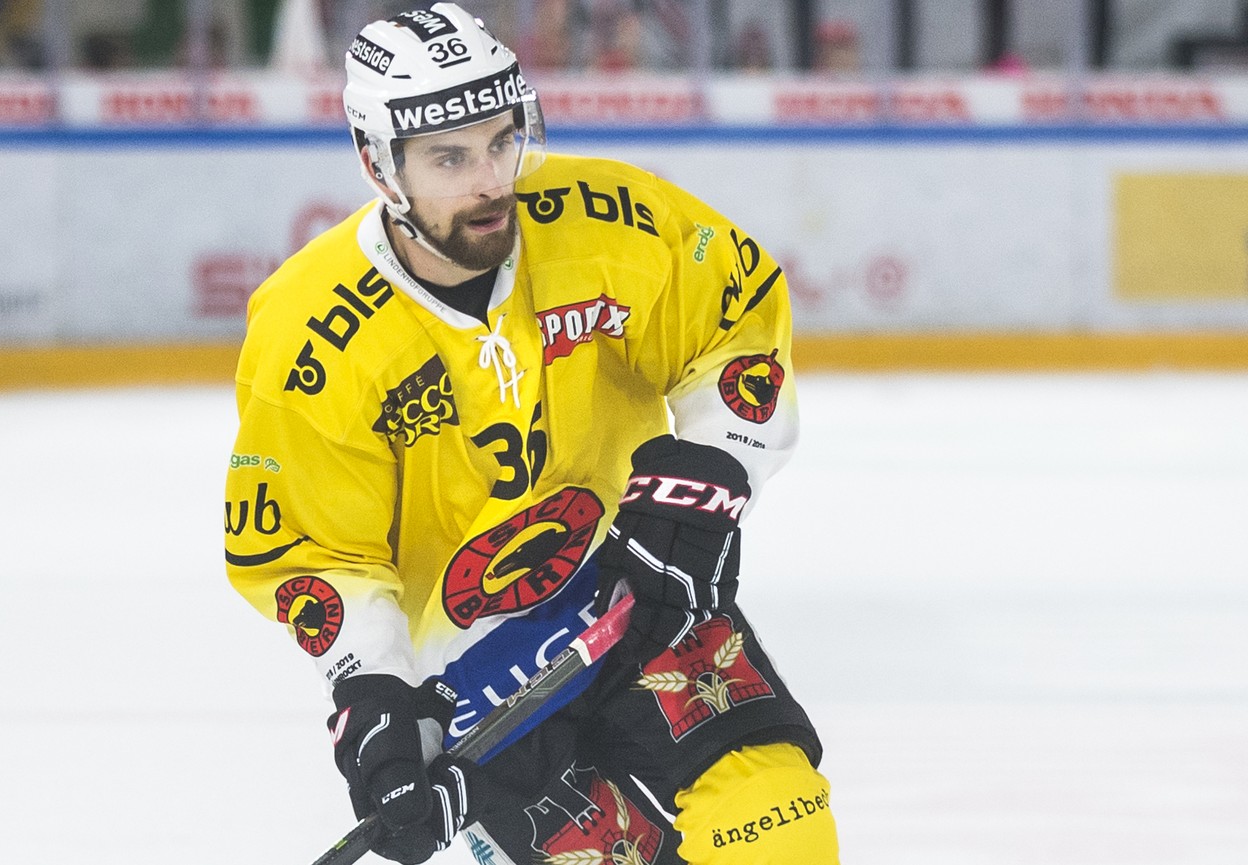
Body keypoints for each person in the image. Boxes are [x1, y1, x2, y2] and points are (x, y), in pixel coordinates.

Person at [224, 4, 838, 863]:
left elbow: (734, 321)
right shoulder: (308, 334)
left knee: (780, 828)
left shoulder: (605, 220)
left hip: (639, 584)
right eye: (449, 158)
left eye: (501, 141)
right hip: (480, 678)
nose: (488, 181)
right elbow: (313, 549)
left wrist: (703, 479)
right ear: (377, 162)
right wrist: (371, 694)